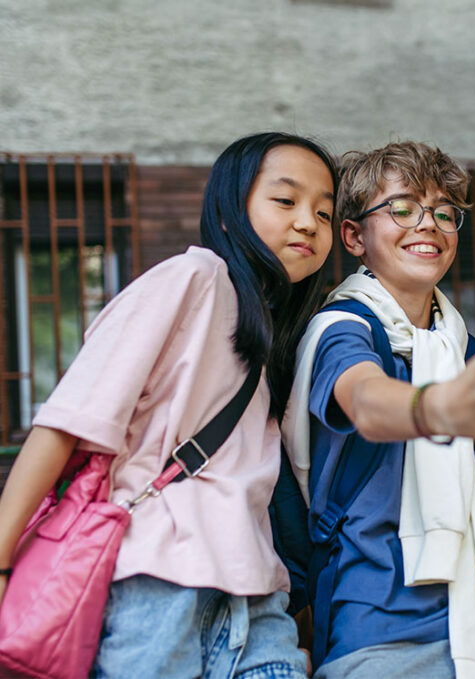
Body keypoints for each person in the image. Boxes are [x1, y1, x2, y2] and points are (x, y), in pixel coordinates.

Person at [0, 132, 340, 678]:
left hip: (257, 599)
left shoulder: (272, 335)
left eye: (324, 213)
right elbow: (65, 425)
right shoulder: (193, 278)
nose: (308, 223)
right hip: (159, 583)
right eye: (286, 200)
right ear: (229, 212)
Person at [279, 140, 475, 679]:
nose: (428, 224)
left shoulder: (461, 347)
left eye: (444, 213)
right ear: (354, 235)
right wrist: (443, 405)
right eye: (402, 208)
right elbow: (366, 401)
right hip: (377, 628)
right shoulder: (343, 331)